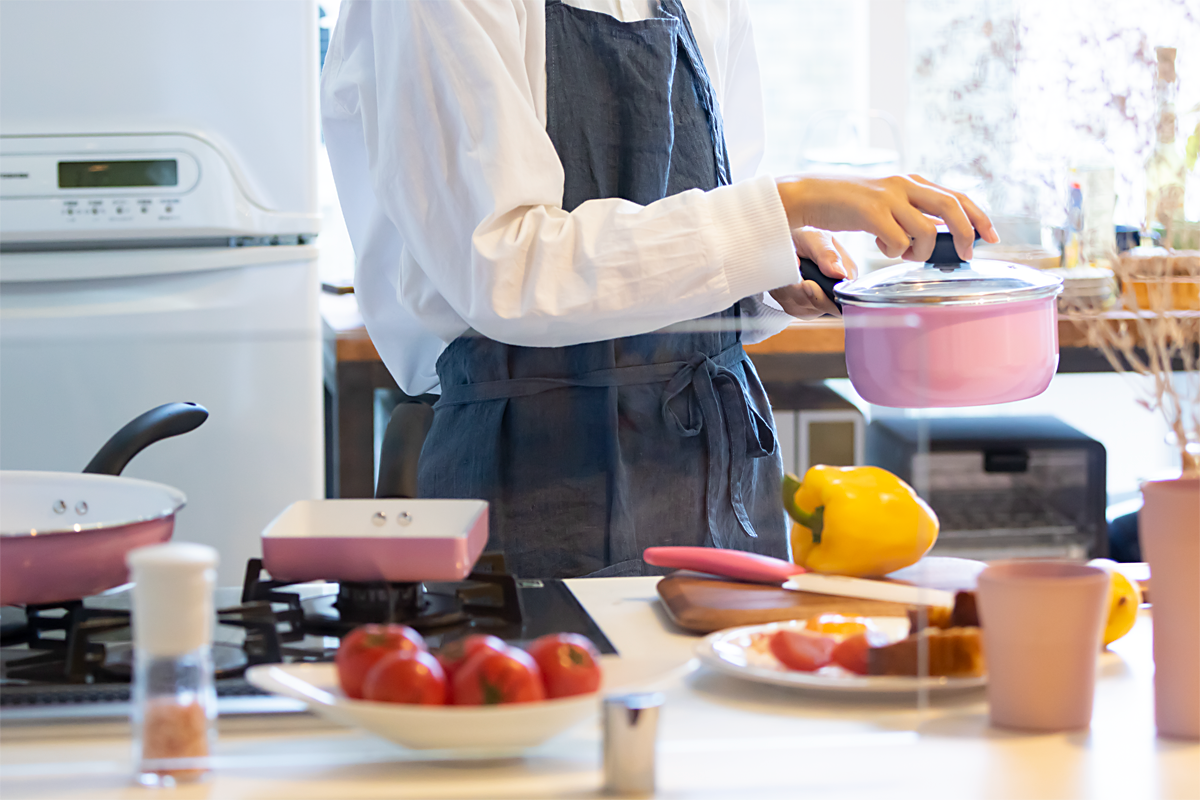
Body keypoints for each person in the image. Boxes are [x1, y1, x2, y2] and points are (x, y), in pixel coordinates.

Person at [321, 0, 998, 578]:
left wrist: (768, 263)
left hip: (721, 470)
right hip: (535, 475)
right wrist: (781, 207)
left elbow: (706, 210)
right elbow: (509, 268)